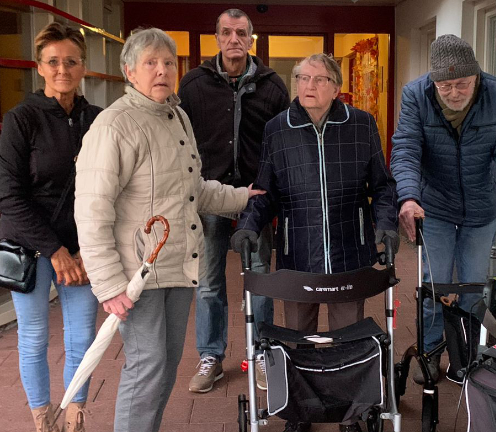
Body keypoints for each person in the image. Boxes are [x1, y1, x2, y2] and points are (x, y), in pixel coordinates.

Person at [73, 28, 265, 432]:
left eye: (167, 62)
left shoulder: (177, 117)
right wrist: (108, 284)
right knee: (147, 365)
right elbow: (92, 210)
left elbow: (193, 190)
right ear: (130, 71)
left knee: (166, 364)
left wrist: (241, 197)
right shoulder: (113, 125)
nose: (161, 70)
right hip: (136, 274)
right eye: (150, 63)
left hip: (177, 265)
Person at [230, 53, 399, 432]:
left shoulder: (361, 124)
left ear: (336, 87)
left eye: (319, 79)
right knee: (297, 339)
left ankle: (349, 412)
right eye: (302, 78)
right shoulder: (278, 128)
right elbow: (265, 191)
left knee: (347, 339)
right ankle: (300, 410)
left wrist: (386, 224)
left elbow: (383, 186)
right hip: (298, 254)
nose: (309, 85)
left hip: (350, 251)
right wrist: (249, 225)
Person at [390, 34, 496, 384]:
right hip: (434, 205)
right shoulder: (416, 95)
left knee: (474, 285)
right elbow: (406, 148)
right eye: (445, 86)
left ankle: (464, 355)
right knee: (434, 284)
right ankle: (430, 352)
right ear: (434, 81)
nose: (454, 93)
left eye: (462, 84)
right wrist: (409, 197)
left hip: (481, 206)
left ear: (476, 76)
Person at [178, 8, 289, 393]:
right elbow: (180, 141)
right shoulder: (193, 84)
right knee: (209, 282)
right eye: (226, 32)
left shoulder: (272, 86)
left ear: (250, 38)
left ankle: (261, 352)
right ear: (217, 38)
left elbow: (282, 144)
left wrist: (276, 195)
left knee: (259, 279)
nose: (234, 39)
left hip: (255, 199)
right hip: (209, 196)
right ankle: (211, 356)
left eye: (241, 32)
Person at [0, 22, 101, 432]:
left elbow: (109, 191)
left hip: (81, 249)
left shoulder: (98, 120)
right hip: (30, 247)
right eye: (53, 61)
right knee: (34, 336)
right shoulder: (20, 119)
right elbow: (9, 196)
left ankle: (75, 420)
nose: (63, 69)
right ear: (39, 67)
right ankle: (44, 422)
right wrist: (56, 251)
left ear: (83, 67)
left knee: (83, 337)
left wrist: (86, 249)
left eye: (71, 61)